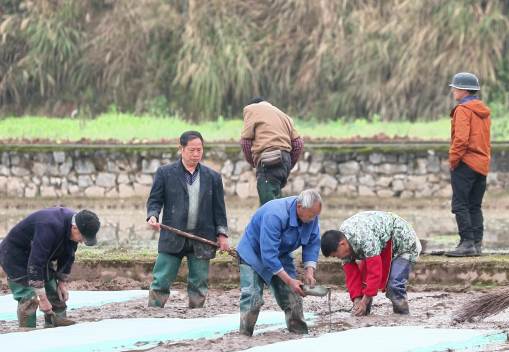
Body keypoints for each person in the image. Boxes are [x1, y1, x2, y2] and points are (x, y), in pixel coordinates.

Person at [146, 130, 229, 309]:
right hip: (173, 234)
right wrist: (153, 215)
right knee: (162, 277)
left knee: (199, 281)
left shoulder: (212, 177)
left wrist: (222, 234)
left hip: (202, 236)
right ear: (181, 149)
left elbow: (219, 209)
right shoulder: (165, 173)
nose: (196, 154)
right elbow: (155, 200)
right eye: (192, 150)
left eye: (199, 150)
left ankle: (197, 310)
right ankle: (154, 309)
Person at [236, 189, 322, 336]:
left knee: (293, 296)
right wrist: (289, 280)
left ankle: (298, 333)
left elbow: (312, 242)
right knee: (253, 297)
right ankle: (245, 335)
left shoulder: (311, 216)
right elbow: (268, 255)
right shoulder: (275, 214)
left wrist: (309, 271)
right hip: (253, 253)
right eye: (312, 215)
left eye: (316, 215)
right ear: (300, 207)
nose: (314, 219)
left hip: (281, 254)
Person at [0, 208, 100, 327]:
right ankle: (27, 332)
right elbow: (35, 263)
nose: (82, 242)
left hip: (39, 255)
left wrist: (62, 282)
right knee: (29, 297)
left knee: (55, 292)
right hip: (15, 256)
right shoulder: (49, 226)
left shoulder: (76, 224)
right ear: (74, 228)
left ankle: (58, 328)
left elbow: (68, 254)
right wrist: (42, 299)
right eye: (83, 238)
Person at [321, 211, 421, 316]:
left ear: (342, 244)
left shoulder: (364, 237)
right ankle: (363, 313)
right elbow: (352, 276)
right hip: (382, 245)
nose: (337, 258)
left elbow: (375, 272)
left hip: (404, 243)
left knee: (394, 284)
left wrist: (364, 301)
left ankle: (402, 315)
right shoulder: (343, 243)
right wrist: (357, 300)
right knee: (364, 285)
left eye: (335, 255)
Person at [444, 72, 491, 257]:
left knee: (460, 204)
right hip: (482, 163)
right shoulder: (483, 111)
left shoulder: (463, 110)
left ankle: (467, 243)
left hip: (465, 162)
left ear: (463, 90)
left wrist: (453, 160)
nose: (453, 91)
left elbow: (461, 140)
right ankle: (477, 243)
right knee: (474, 205)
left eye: (455, 87)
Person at [240, 97, 304, 205]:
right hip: (285, 160)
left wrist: (254, 163)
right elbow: (298, 144)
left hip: (268, 160)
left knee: (268, 207)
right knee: (277, 202)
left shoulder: (251, 109)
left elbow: (245, 142)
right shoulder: (283, 115)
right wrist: (287, 164)